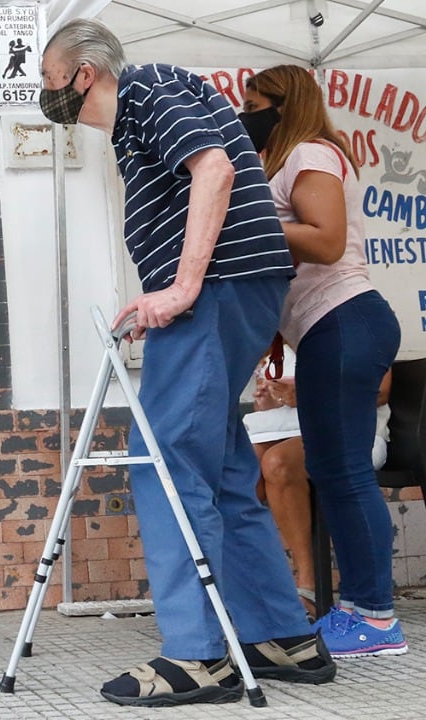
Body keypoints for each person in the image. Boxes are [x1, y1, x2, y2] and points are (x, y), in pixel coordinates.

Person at [39, 19, 335, 706]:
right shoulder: (147, 108)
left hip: (220, 290)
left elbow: (215, 167)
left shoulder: (147, 89)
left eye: (51, 81)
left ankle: (201, 656)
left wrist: (183, 286)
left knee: (163, 460)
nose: (49, 97)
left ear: (84, 73)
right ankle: (278, 634)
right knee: (224, 467)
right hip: (236, 290)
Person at [242, 65, 406, 657]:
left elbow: (328, 240)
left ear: (285, 105)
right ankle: (358, 611)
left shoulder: (309, 152)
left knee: (344, 473)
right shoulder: (283, 161)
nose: (247, 111)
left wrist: (255, 222)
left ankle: (377, 620)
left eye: (256, 102)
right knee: (335, 473)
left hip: (347, 320)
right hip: (326, 329)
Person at [246, 349, 392, 621]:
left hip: (354, 433)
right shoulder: (274, 344)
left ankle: (308, 584)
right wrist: (270, 400)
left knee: (277, 463)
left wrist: (309, 397)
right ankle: (251, 588)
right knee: (241, 473)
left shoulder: (349, 323)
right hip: (289, 432)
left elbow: (380, 391)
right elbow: (271, 408)